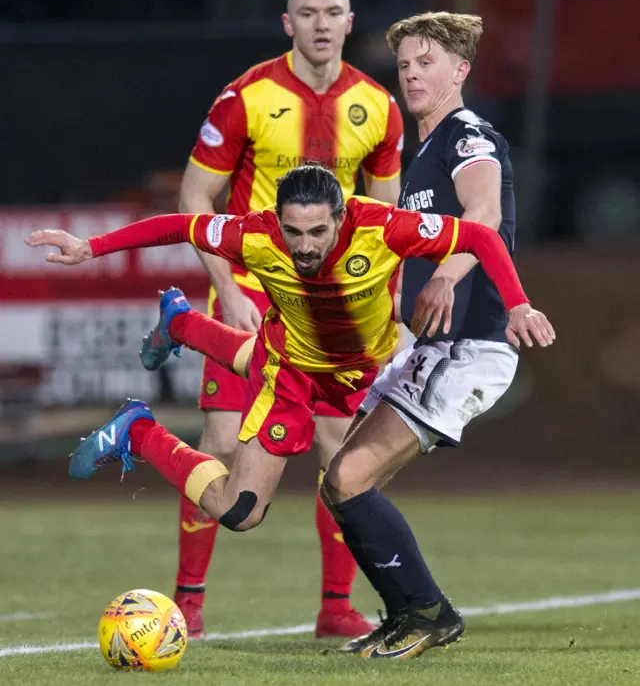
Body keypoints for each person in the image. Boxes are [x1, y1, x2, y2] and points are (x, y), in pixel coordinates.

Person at [27, 164, 554, 660]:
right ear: (278, 220)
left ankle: (180, 325)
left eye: (317, 233)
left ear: (342, 217)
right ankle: (139, 431)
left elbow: (481, 235)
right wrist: (90, 248)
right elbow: (181, 225)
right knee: (241, 511)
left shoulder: (385, 226)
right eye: (293, 232)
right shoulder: (254, 235)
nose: (304, 247)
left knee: (347, 481)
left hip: (358, 375)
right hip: (291, 375)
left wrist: (518, 304)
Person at [312, 11, 551, 658]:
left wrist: (447, 276)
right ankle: (405, 613)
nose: (412, 73)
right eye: (406, 64)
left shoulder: (466, 135)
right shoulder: (421, 156)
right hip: (432, 347)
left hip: (470, 345)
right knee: (339, 480)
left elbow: (484, 213)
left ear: (460, 71)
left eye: (426, 62)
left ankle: (429, 612)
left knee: (350, 477)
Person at [174, 0, 402, 638]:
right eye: (308, 13)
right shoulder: (246, 96)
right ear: (287, 23)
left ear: (350, 20)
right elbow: (195, 198)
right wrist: (231, 286)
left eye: (333, 13)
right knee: (219, 443)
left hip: (333, 314)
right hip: (249, 296)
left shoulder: (378, 105)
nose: (321, 24)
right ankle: (189, 600)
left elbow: (383, 221)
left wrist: (384, 314)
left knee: (343, 455)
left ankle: (336, 606)